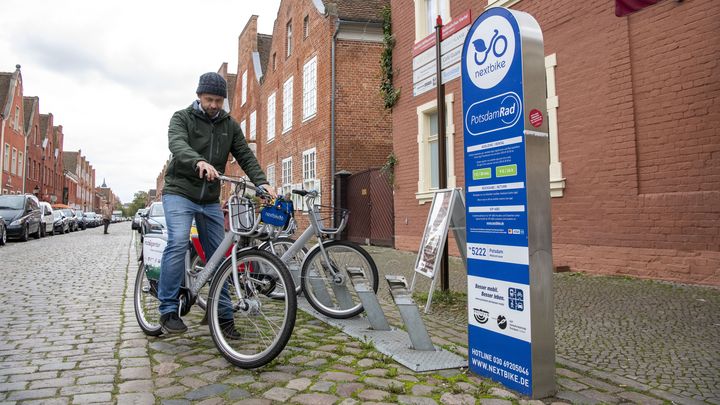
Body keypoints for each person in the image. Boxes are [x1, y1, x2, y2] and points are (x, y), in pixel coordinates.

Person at [158, 72, 276, 336]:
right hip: (179, 192)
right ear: (199, 96)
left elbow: (244, 154)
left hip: (209, 199)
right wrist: (197, 161)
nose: (213, 105)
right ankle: (167, 310)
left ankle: (222, 318)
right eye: (209, 99)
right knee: (178, 241)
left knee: (218, 257)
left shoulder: (229, 125)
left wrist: (262, 183)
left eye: (219, 101)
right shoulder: (182, 118)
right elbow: (177, 144)